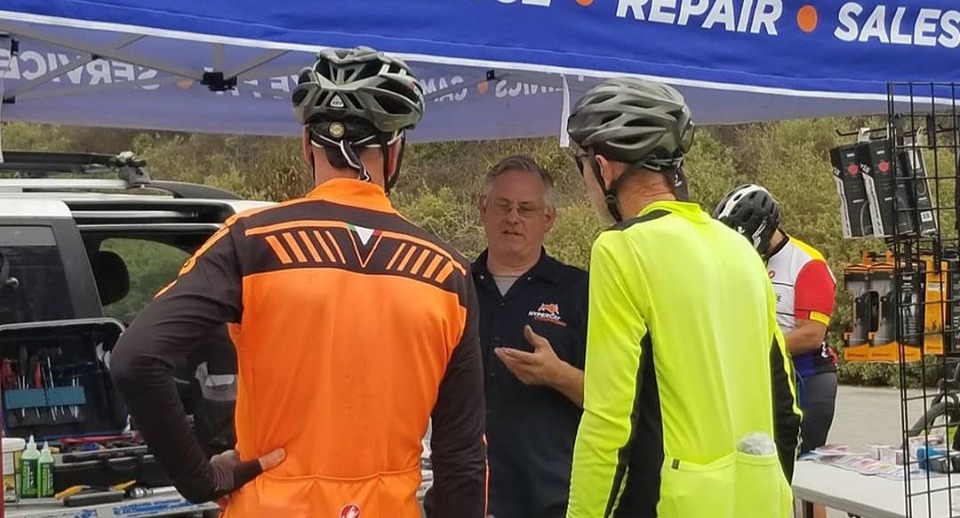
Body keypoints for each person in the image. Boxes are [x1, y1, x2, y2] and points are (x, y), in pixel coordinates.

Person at [109, 46, 487, 518]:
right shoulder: (447, 272)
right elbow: (463, 457)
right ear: (394, 151)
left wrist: (198, 477)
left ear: (308, 145)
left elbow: (135, 359)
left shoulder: (253, 243)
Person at [563, 77, 802, 518]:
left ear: (605, 167)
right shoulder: (740, 249)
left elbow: (609, 420)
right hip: (759, 499)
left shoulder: (622, 249)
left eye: (581, 167)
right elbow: (785, 404)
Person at [472, 155, 588, 518]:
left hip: (551, 501)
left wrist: (558, 375)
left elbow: (619, 403)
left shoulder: (581, 291)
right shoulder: (453, 286)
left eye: (526, 208)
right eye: (503, 206)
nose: (513, 218)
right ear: (483, 209)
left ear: (548, 219)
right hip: (463, 498)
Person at [713, 184, 838, 518]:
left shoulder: (806, 262)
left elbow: (812, 334)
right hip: (767, 378)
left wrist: (751, 346)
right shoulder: (750, 263)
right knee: (766, 469)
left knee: (803, 477)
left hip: (808, 378)